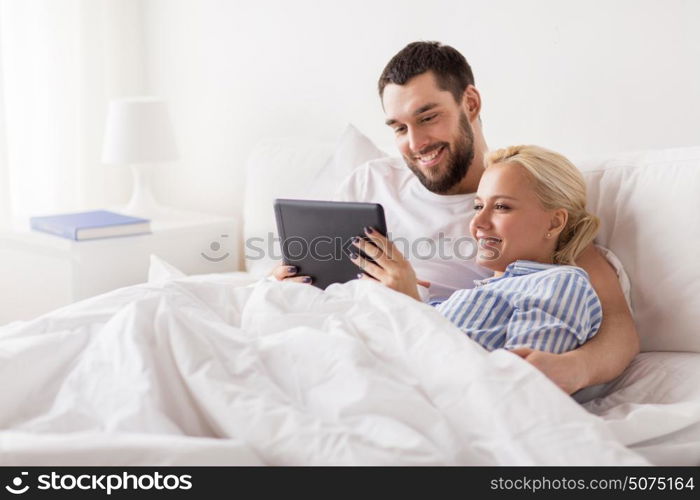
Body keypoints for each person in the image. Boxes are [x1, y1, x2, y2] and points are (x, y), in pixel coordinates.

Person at [272, 41, 639, 394]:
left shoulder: (523, 201)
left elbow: (617, 326)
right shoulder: (369, 181)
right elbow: (312, 280)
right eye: (399, 128)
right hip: (336, 337)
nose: (415, 144)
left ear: (471, 103)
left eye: (428, 117)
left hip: (414, 356)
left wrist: (575, 369)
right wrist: (285, 285)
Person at [350, 144, 603, 355]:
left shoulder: (560, 285)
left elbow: (520, 386)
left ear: (555, 221)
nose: (478, 224)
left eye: (502, 207)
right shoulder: (474, 293)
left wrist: (412, 307)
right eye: (478, 207)